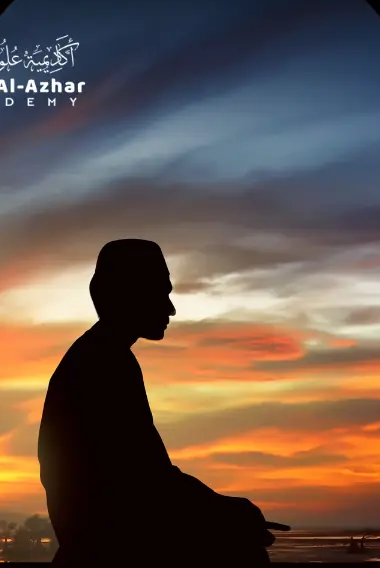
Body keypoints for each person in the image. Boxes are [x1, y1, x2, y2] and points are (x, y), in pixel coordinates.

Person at [37, 239, 286, 565]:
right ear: (129, 293)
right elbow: (144, 481)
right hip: (109, 545)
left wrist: (217, 509)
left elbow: (147, 475)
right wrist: (225, 511)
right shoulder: (105, 363)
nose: (170, 309)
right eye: (161, 293)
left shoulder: (99, 356)